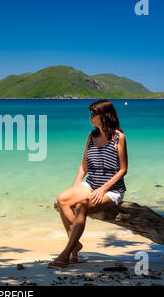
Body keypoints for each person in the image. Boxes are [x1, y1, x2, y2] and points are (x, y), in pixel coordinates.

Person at [48, 99, 128, 268]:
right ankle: (76, 244)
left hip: (111, 190)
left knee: (82, 206)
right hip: (91, 184)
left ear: (104, 116)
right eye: (90, 114)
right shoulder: (91, 136)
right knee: (62, 199)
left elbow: (123, 170)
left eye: (93, 114)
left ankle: (66, 253)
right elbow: (84, 166)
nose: (90, 117)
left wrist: (103, 190)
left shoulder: (119, 137)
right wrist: (76, 187)